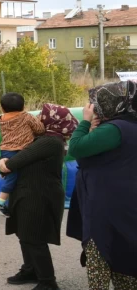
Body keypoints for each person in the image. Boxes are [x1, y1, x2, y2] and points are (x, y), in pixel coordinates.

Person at [0, 103, 78, 290]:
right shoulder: (38, 139)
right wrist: (3, 160)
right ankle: (31, 269)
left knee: (34, 237)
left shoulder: (50, 142)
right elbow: (12, 154)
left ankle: (47, 281)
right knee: (24, 233)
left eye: (43, 116)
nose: (39, 119)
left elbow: (15, 162)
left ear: (53, 120)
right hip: (28, 193)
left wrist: (4, 162)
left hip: (39, 195)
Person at [66, 82, 137, 288]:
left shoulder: (115, 129)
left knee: (100, 251)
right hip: (125, 204)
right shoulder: (128, 126)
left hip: (106, 207)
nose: (95, 107)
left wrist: (85, 122)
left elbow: (76, 148)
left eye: (98, 103)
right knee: (125, 254)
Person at [0, 93, 46, 217]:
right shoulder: (26, 117)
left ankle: (4, 176)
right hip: (21, 150)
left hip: (6, 150)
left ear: (2, 108)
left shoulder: (1, 119)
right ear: (23, 106)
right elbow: (40, 129)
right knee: (13, 177)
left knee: (12, 174)